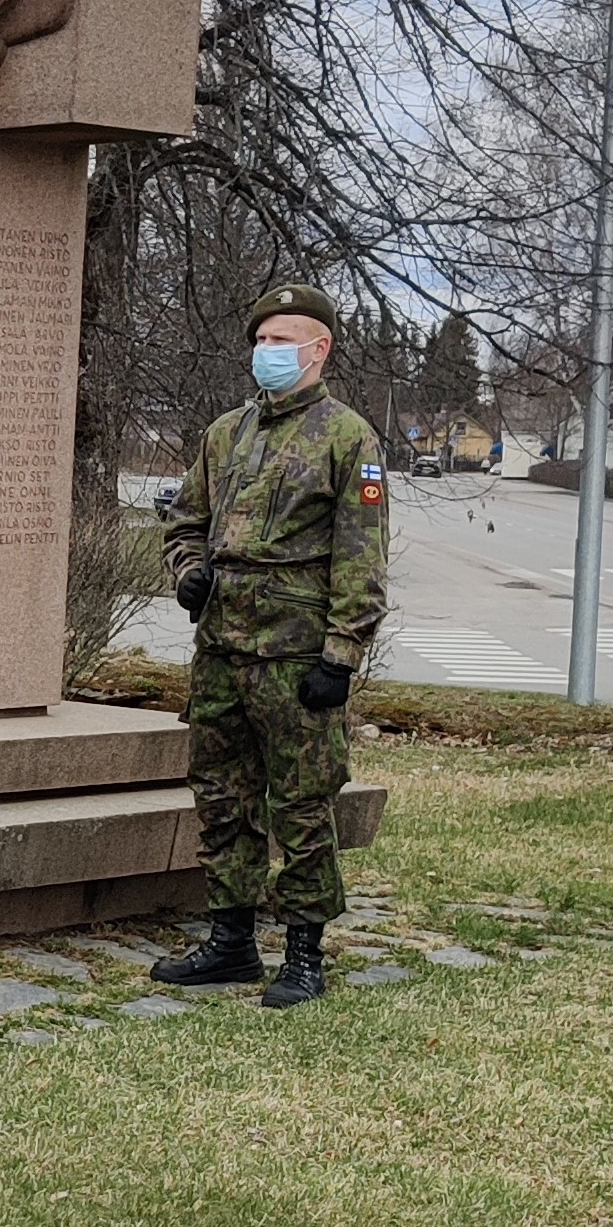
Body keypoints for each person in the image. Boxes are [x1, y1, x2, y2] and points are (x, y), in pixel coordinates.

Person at [153, 284, 389, 1008]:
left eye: (281, 340)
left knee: (302, 805)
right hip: (222, 650)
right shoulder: (226, 433)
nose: (267, 352)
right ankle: (231, 942)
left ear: (319, 349)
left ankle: (305, 953)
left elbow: (362, 558)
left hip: (296, 659)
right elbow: (184, 523)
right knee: (221, 798)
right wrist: (189, 573)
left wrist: (341, 657)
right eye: (260, 340)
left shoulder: (348, 438)